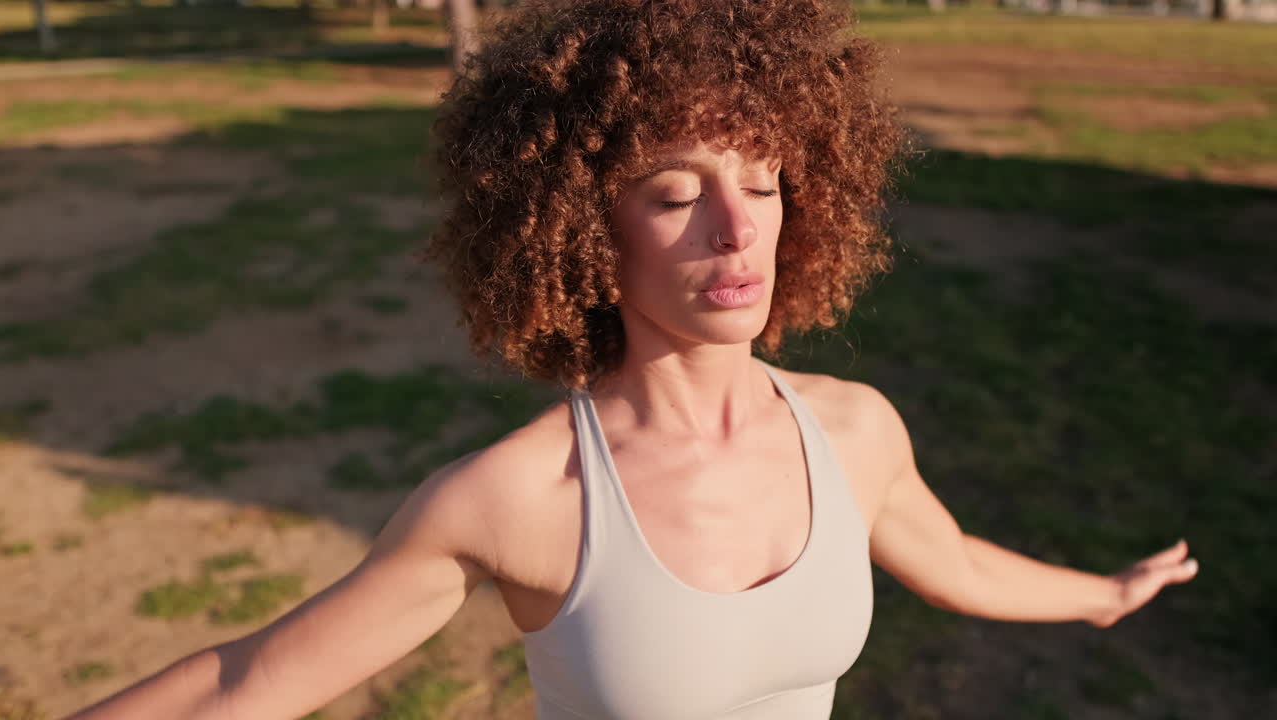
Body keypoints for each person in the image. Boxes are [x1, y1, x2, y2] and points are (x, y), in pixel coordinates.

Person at [66, 1, 1199, 718]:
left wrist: (1100, 597)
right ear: (577, 231)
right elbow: (248, 679)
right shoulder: (517, 502)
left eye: (761, 186)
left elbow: (950, 559)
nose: (736, 228)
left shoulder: (852, 431)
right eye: (672, 194)